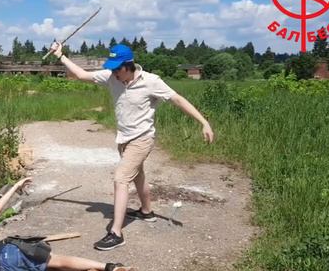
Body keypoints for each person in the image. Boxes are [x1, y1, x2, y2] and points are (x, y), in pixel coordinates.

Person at [48, 42, 214, 250]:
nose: (115, 72)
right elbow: (81, 75)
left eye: (118, 68)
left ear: (129, 65)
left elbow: (178, 100)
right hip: (123, 139)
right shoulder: (111, 77)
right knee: (138, 175)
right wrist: (60, 55)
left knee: (120, 178)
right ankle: (147, 211)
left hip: (142, 139)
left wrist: (203, 122)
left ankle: (116, 233)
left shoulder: (151, 82)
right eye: (113, 68)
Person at [0, 177, 135, 271]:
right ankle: (112, 267)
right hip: (7, 257)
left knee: (52, 266)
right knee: (59, 259)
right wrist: (15, 187)